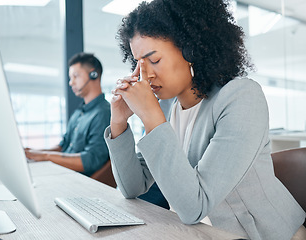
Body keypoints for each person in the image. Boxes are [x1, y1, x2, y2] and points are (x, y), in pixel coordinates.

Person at [104, 0, 306, 239]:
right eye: (139, 63)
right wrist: (119, 122)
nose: (146, 75)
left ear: (190, 50)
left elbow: (194, 207)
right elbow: (132, 188)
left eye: (154, 60)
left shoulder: (241, 97)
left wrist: (151, 117)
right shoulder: (171, 107)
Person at [25, 52, 111, 177]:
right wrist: (32, 152)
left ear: (93, 75)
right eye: (71, 78)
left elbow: (91, 160)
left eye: (75, 76)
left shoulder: (103, 113)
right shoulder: (79, 112)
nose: (71, 82)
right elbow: (63, 146)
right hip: (62, 173)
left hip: (79, 182)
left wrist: (45, 156)